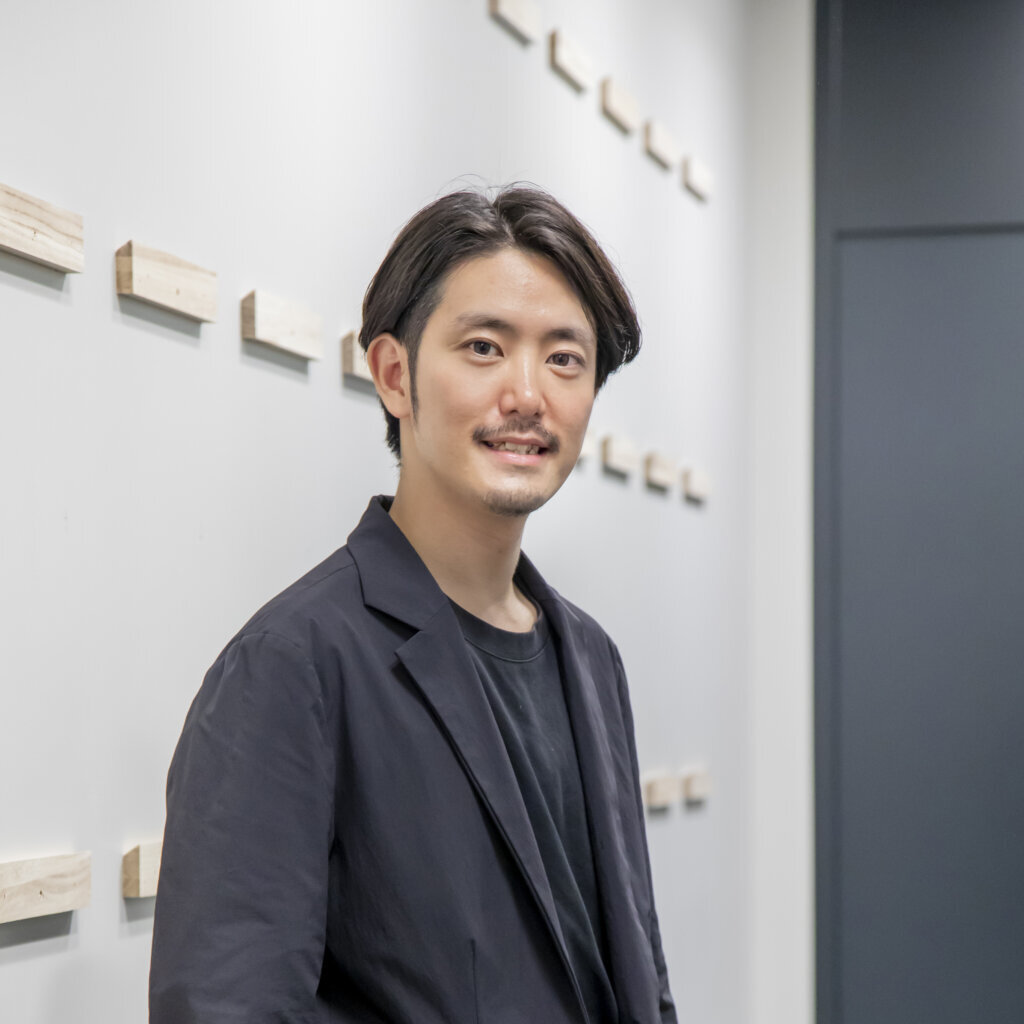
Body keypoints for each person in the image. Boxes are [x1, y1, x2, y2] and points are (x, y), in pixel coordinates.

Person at [149, 186, 677, 1024]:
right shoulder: (294, 665)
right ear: (395, 375)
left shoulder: (591, 657)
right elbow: (226, 1006)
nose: (527, 394)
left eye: (564, 359)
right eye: (483, 348)